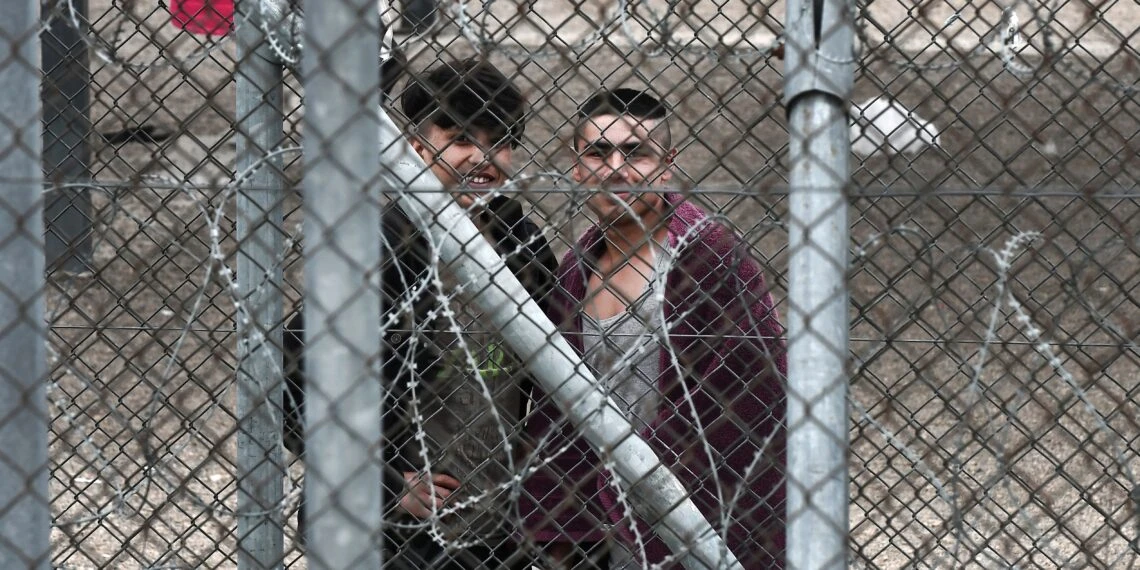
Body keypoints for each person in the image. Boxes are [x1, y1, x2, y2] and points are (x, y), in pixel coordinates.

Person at [283, 57, 557, 569]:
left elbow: (550, 372)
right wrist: (384, 480)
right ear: (416, 148)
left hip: (490, 518)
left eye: (498, 142)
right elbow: (295, 375)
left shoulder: (524, 245)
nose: (482, 158)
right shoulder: (377, 246)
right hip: (386, 528)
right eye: (459, 140)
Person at [521, 88, 787, 569]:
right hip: (614, 534)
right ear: (577, 167)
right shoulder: (573, 273)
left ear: (666, 165)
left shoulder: (707, 258)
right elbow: (555, 414)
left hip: (711, 524)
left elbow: (756, 397)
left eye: (636, 152)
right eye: (599, 153)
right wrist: (560, 529)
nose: (616, 167)